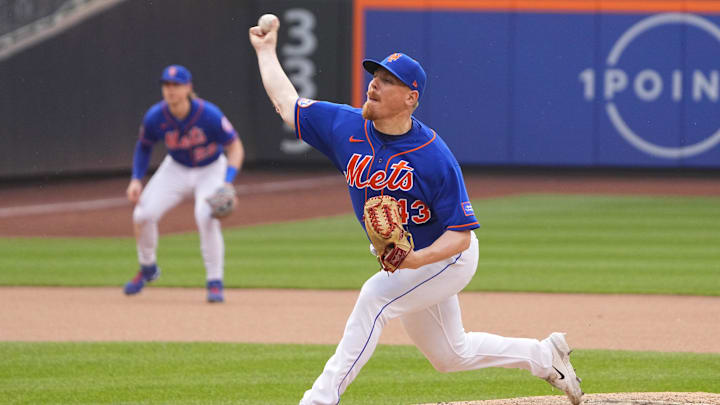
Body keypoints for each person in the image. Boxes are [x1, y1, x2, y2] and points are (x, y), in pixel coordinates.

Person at [249, 21, 584, 405]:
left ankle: (319, 400)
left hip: (447, 256)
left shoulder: (432, 156)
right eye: (375, 75)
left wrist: (415, 260)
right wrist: (265, 51)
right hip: (407, 261)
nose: (374, 83)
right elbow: (287, 105)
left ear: (411, 98)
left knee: (374, 298)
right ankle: (545, 356)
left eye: (387, 80)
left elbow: (460, 233)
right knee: (449, 355)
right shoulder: (345, 126)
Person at [123, 64, 244, 303]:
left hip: (210, 169)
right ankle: (148, 268)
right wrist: (136, 178)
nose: (171, 90)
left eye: (176, 85)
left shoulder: (208, 114)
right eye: (167, 85)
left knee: (205, 214)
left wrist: (228, 182)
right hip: (176, 169)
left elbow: (235, 146)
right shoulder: (155, 116)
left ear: (188, 87)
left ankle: (214, 281)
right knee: (142, 215)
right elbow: (144, 146)